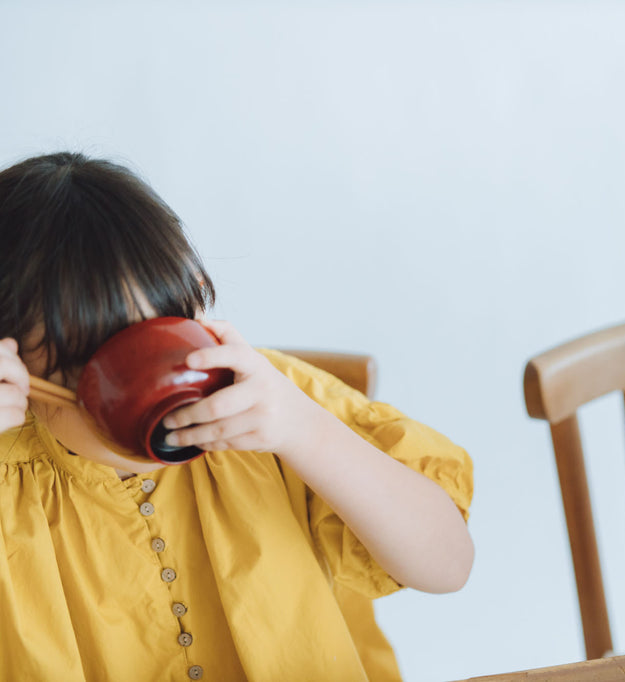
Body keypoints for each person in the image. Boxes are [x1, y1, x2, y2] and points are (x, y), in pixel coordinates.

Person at [0, 152, 474, 681]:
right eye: (97, 366)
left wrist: (305, 433)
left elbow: (449, 565)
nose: (154, 389)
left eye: (163, 339)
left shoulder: (266, 403)